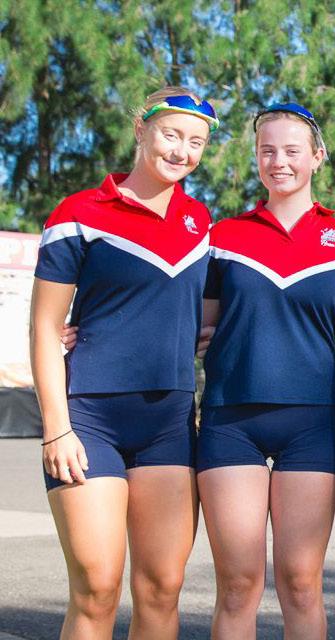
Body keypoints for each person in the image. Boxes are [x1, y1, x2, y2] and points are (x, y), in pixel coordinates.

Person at [32, 86, 216, 639]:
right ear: (141, 130)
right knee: (97, 588)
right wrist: (56, 428)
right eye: (171, 135)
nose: (182, 151)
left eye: (196, 142)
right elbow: (44, 327)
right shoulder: (78, 214)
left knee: (161, 589)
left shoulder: (202, 223)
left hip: (169, 425)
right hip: (89, 421)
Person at [196, 103, 335, 639]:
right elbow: (193, 326)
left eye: (292, 150)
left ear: (317, 156)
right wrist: (89, 327)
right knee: (238, 584)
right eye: (267, 150)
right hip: (231, 422)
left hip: (312, 425)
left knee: (301, 583)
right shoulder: (223, 236)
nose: (279, 161)